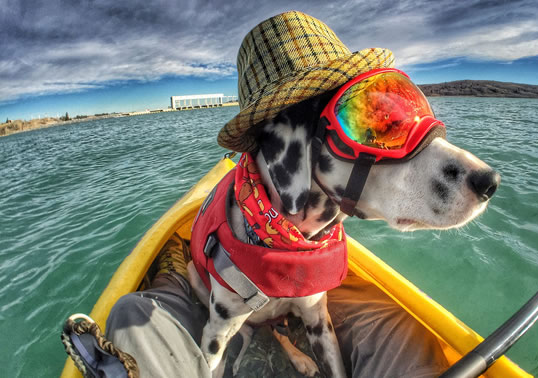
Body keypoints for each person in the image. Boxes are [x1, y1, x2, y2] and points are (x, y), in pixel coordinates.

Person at [105, 11, 450, 377]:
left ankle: (196, 295)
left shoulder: (322, 209)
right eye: (358, 119)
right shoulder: (296, 181)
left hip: (275, 287)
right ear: (289, 145)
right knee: (140, 313)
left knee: (135, 315)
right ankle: (222, 307)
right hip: (233, 294)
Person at [106, 234, 448, 377]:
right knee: (400, 323)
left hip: (249, 309)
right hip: (245, 303)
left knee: (132, 313)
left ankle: (172, 284)